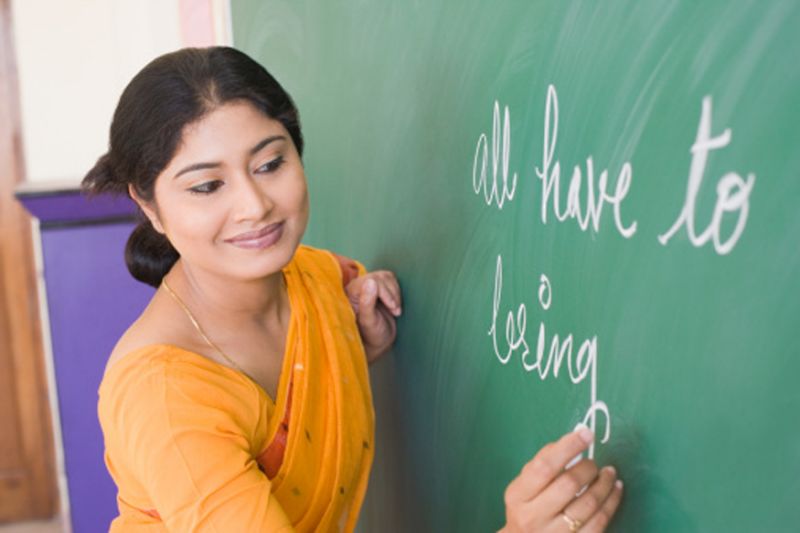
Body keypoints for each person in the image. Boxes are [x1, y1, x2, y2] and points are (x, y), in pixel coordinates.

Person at [84, 46, 622, 532]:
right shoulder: (164, 395)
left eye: (270, 164)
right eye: (207, 186)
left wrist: (353, 328)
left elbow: (322, 334)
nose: (254, 205)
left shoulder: (316, 282)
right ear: (149, 205)